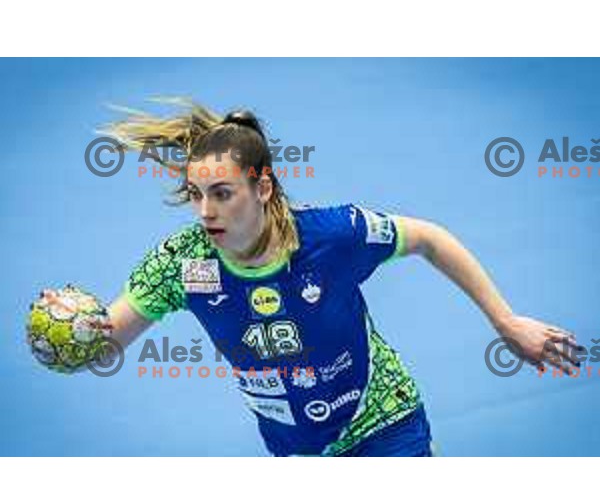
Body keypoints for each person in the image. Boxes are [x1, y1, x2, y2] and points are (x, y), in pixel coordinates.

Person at [82, 101, 583, 456]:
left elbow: (429, 238)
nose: (205, 211)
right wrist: (73, 337)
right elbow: (107, 339)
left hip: (384, 421)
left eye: (222, 193)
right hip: (297, 452)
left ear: (263, 186)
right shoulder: (183, 264)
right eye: (195, 194)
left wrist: (504, 320)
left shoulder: (331, 235)